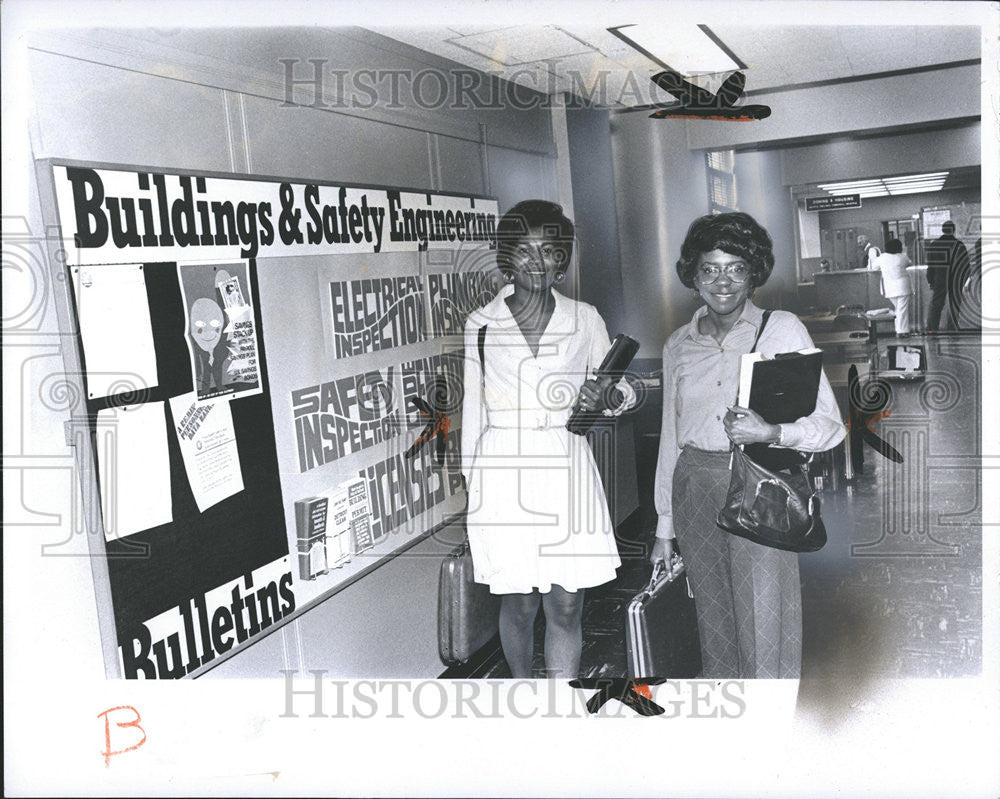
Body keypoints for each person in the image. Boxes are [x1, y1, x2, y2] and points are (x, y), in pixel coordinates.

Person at [651, 212, 846, 679]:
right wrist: (663, 528)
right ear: (693, 276)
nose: (723, 281)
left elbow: (831, 425)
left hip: (759, 485)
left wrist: (772, 433)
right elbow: (669, 437)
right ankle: (729, 724)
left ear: (753, 274)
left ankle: (770, 726)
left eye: (736, 268)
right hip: (693, 486)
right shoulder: (678, 343)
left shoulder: (780, 330)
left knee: (764, 616)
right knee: (712, 618)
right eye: (710, 268)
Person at [460, 200, 635, 678]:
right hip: (503, 473)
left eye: (550, 251)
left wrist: (605, 395)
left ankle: (561, 708)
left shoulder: (585, 318)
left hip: (565, 466)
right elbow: (471, 413)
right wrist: (474, 488)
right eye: (525, 250)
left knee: (566, 606)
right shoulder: (480, 325)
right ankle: (523, 694)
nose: (538, 261)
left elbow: (618, 392)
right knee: (519, 606)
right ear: (506, 256)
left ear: (562, 260)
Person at [924, 220, 970, 333]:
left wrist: (930, 280)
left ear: (942, 230)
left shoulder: (934, 244)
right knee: (954, 304)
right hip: (955, 279)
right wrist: (964, 280)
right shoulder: (959, 245)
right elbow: (966, 265)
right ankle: (952, 329)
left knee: (936, 305)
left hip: (939, 279)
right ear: (953, 230)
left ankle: (931, 329)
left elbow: (931, 265)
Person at [875, 238, 915, 337]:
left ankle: (899, 329)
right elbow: (910, 263)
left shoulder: (882, 257)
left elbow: (874, 267)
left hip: (889, 288)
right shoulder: (902, 257)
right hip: (903, 286)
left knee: (899, 309)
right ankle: (902, 332)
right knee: (902, 309)